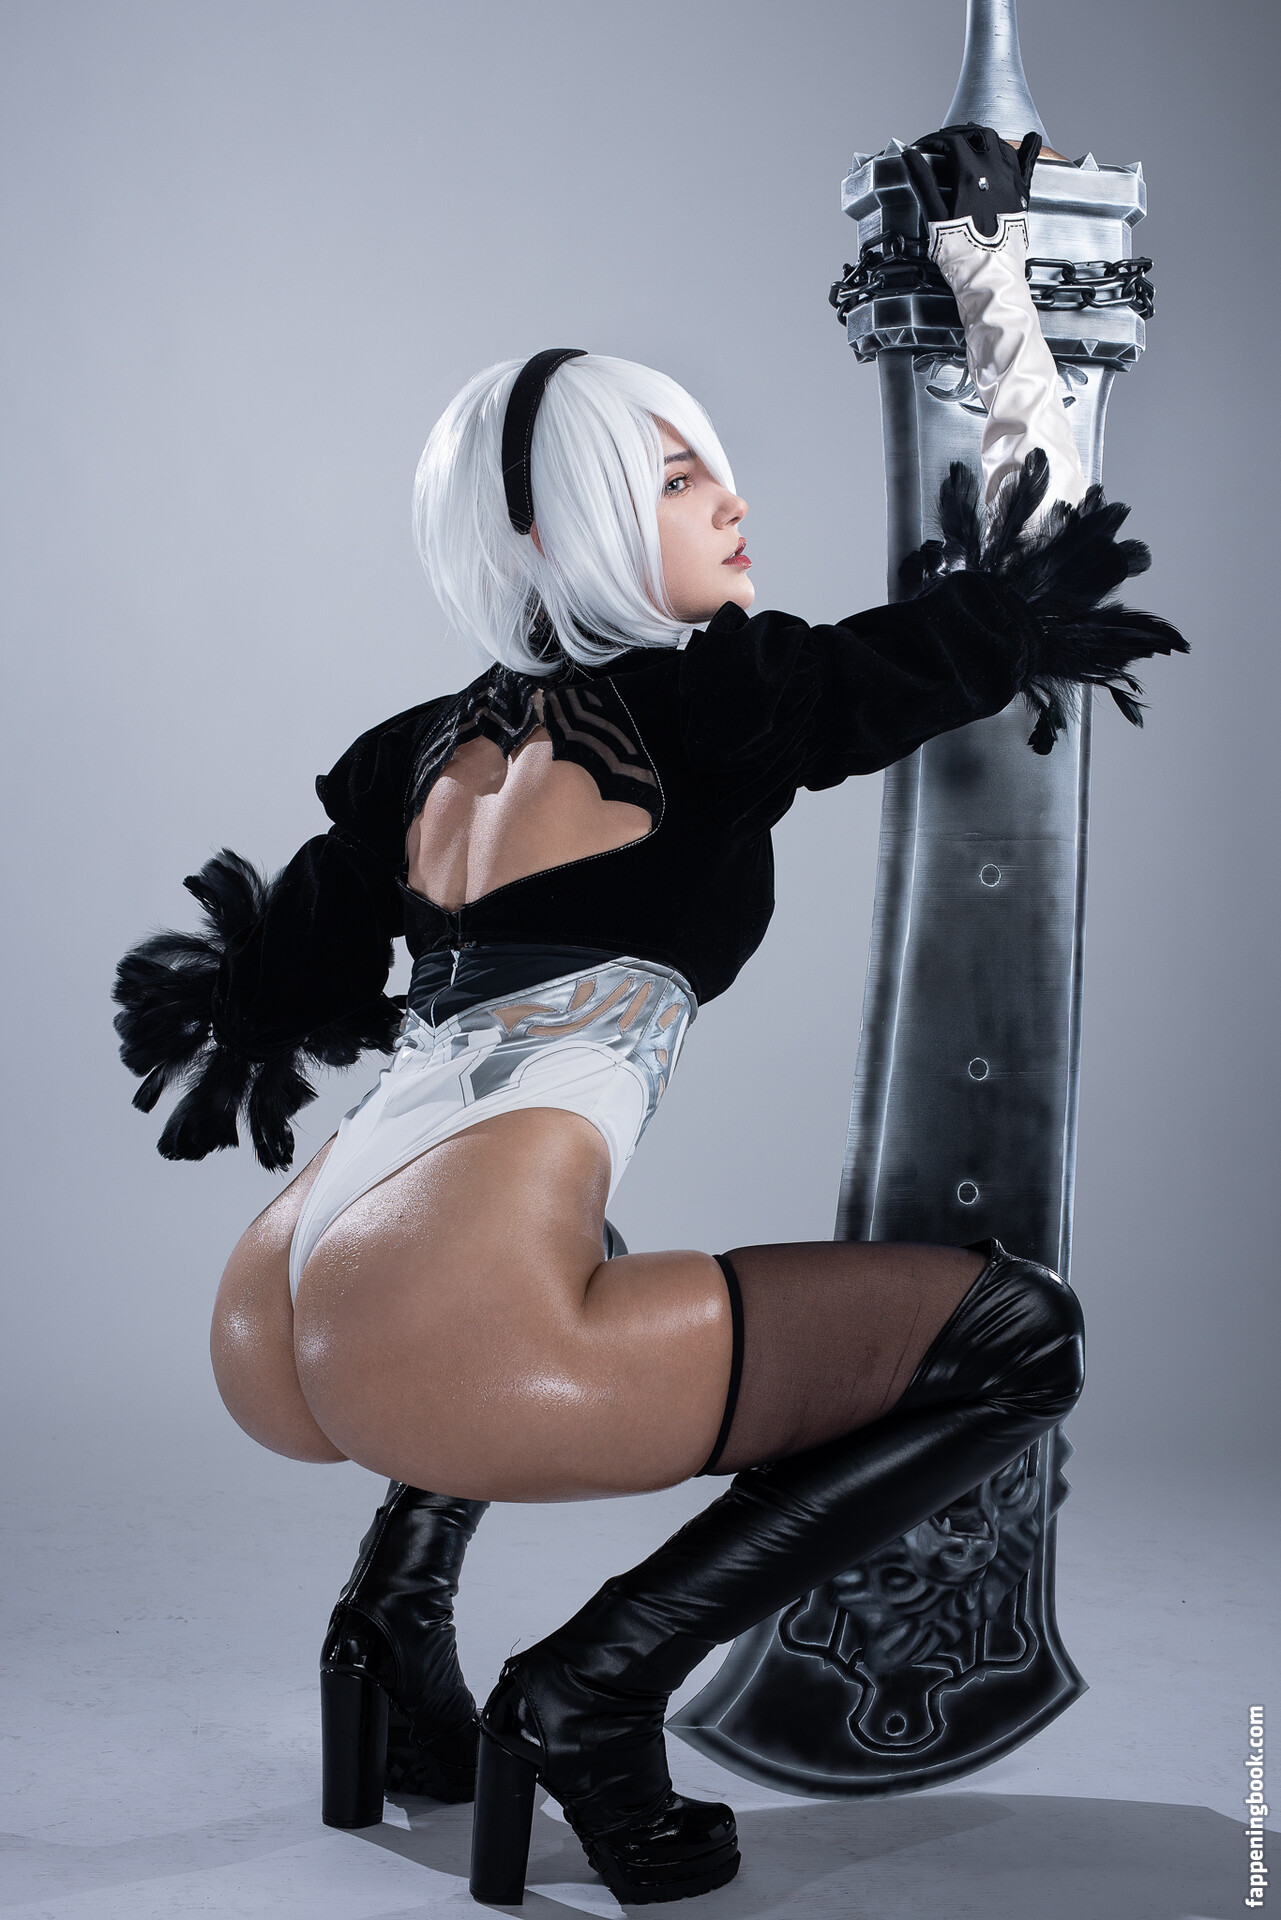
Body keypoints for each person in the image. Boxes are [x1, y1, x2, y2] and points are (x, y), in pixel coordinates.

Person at [113, 126, 1185, 1904]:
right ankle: (596, 1688)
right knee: (1021, 1340)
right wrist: (989, 273)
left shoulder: (402, 759)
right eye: (680, 476)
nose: (729, 501)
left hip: (278, 1316)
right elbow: (1036, 558)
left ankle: (386, 1628)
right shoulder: (719, 705)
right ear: (564, 528)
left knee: (575, 1223)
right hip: (449, 1345)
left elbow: (265, 999)